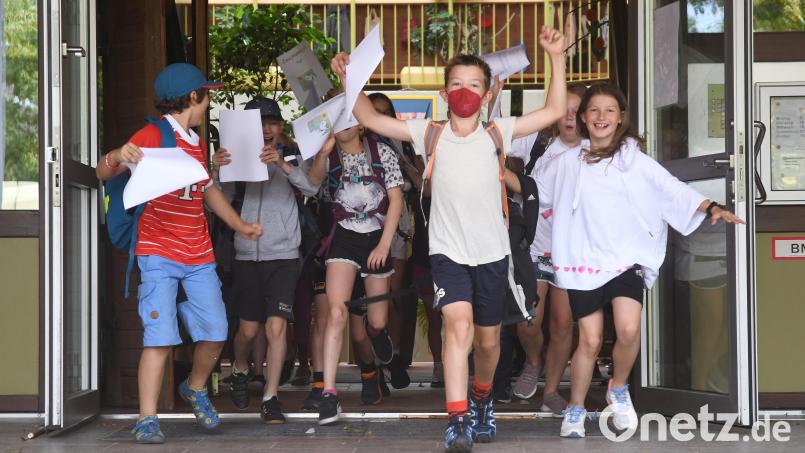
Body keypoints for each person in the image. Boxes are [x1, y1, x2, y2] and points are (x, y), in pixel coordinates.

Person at [331, 25, 567, 452]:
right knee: (457, 328)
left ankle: (481, 398)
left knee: (488, 341)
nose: (465, 91)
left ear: (488, 92)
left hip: (493, 256)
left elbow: (553, 110)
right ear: (443, 94)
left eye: (474, 85)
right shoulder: (430, 133)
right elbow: (368, 117)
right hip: (448, 254)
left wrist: (555, 57)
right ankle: (457, 418)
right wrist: (352, 77)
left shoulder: (498, 133)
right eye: (456, 84)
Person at [537, 83, 744, 438]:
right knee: (588, 340)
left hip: (626, 258)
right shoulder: (566, 163)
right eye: (595, 111)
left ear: (621, 119)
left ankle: (618, 387)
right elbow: (533, 192)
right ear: (584, 118)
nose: (601, 117)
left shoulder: (637, 162)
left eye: (609, 111)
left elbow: (671, 189)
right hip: (583, 260)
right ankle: (576, 407)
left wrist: (710, 207)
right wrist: (492, 172)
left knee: (630, 329)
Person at [95, 63, 262, 444]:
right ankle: (147, 418)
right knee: (159, 338)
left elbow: (206, 191)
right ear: (193, 97)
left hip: (199, 254)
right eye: (207, 94)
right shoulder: (153, 134)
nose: (208, 100)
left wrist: (239, 225)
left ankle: (196, 388)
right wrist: (118, 154)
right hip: (158, 252)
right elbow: (104, 173)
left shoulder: (195, 142)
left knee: (217, 331)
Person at [211, 97, 322, 423]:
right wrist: (217, 170)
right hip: (246, 255)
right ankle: (242, 368)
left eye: (272, 122)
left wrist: (283, 166)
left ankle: (271, 396)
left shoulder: (291, 156)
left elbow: (312, 188)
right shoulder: (235, 160)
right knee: (247, 330)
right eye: (260, 124)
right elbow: (218, 200)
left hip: (285, 255)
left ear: (280, 127)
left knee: (276, 327)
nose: (267, 129)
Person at [307, 89, 405, 425]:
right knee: (336, 313)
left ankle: (379, 336)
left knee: (376, 322)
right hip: (343, 238)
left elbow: (396, 201)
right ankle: (330, 395)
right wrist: (322, 155)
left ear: (362, 122)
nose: (345, 123)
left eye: (350, 115)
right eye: (337, 117)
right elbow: (311, 184)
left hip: (378, 237)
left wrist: (384, 245)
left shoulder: (382, 152)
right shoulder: (329, 156)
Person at [495, 84, 588, 415]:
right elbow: (494, 140)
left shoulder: (597, 150)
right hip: (533, 242)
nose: (569, 116)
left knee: (563, 323)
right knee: (528, 319)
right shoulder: (535, 141)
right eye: (564, 107)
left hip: (573, 249)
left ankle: (550, 389)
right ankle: (533, 361)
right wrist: (492, 97)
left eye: (578, 110)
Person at [366, 92, 419, 389]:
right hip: (365, 228)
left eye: (386, 112)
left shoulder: (400, 141)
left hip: (397, 228)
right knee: (372, 302)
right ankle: (372, 365)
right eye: (374, 112)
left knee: (393, 299)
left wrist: (401, 160)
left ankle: (393, 357)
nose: (380, 117)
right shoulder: (356, 142)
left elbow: (419, 181)